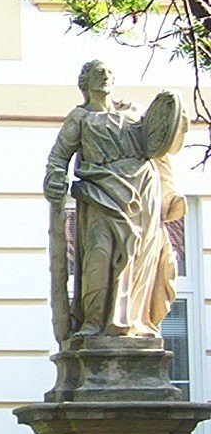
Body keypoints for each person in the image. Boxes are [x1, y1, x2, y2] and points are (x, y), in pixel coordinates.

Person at [44, 60, 186, 340]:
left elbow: (158, 145)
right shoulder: (80, 118)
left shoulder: (134, 113)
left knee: (137, 258)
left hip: (141, 191)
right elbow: (58, 157)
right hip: (100, 192)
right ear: (84, 83)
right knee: (99, 253)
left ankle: (132, 320)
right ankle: (94, 322)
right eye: (98, 73)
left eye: (108, 73)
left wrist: (169, 193)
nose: (105, 77)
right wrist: (54, 179)